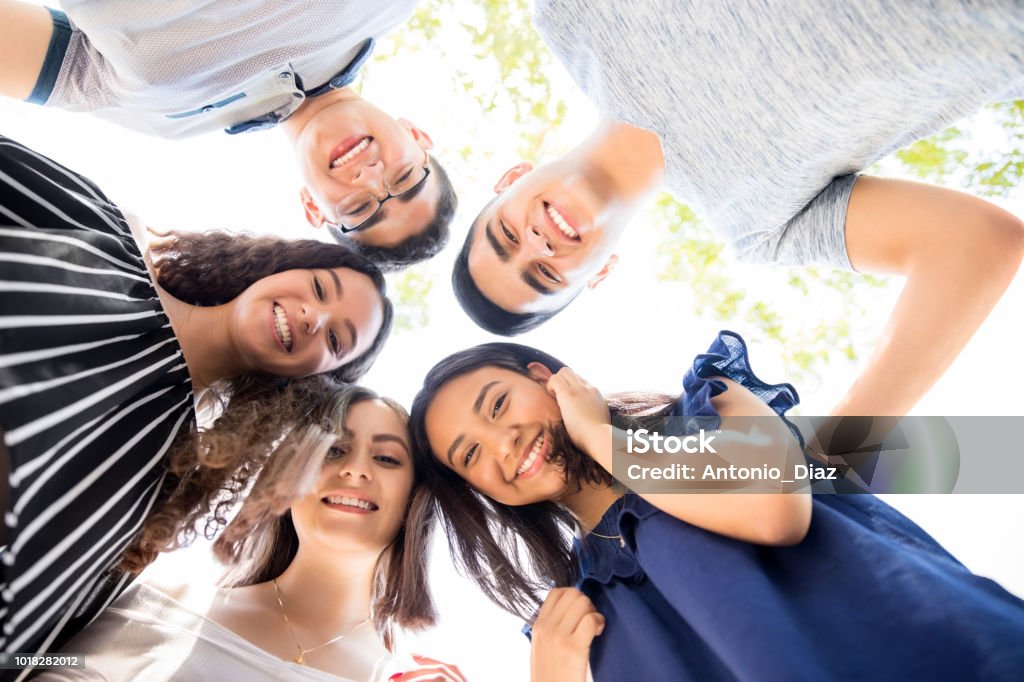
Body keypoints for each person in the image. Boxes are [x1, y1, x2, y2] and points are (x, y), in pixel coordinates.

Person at [454, 0, 1024, 417]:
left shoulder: (570, 18)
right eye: (546, 273)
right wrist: (829, 462)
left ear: (511, 179)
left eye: (506, 234)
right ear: (601, 273)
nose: (537, 244)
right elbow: (976, 244)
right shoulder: (761, 225)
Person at [407, 332, 1024, 681]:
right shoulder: (574, 615)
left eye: (497, 407)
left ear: (547, 377)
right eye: (470, 456)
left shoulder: (708, 409)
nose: (503, 443)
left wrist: (599, 433)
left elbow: (773, 509)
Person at [0, 134, 394, 668]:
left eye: (334, 340)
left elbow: (33, 648)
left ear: (311, 380)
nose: (313, 317)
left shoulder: (155, 483)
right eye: (320, 288)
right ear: (282, 266)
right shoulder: (103, 233)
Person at [34, 378, 468, 682]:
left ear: (414, 500)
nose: (355, 470)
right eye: (334, 449)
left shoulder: (402, 676)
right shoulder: (164, 598)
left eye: (387, 459)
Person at [0, 0, 458, 270]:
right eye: (405, 181)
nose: (372, 178)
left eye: (360, 207)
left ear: (313, 208)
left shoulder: (169, 120)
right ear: (417, 135)